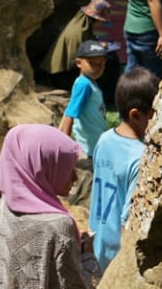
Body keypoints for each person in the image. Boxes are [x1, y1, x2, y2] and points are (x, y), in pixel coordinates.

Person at [0, 124, 101, 289]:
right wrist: (88, 256)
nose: (75, 178)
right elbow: (78, 284)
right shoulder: (57, 226)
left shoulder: (5, 204)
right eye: (67, 169)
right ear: (43, 168)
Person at [88, 68, 160, 271]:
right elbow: (128, 222)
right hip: (117, 256)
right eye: (155, 114)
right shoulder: (140, 158)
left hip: (97, 244)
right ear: (136, 115)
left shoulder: (104, 139)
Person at [58, 39, 116, 208]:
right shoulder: (84, 85)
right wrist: (62, 145)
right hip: (88, 150)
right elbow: (70, 114)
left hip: (94, 148)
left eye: (102, 64)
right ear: (78, 62)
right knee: (84, 191)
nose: (97, 67)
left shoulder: (90, 83)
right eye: (92, 63)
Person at [40, 0, 120, 100]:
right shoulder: (79, 32)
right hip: (62, 76)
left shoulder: (81, 26)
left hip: (61, 74)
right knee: (110, 61)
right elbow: (81, 56)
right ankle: (107, 96)